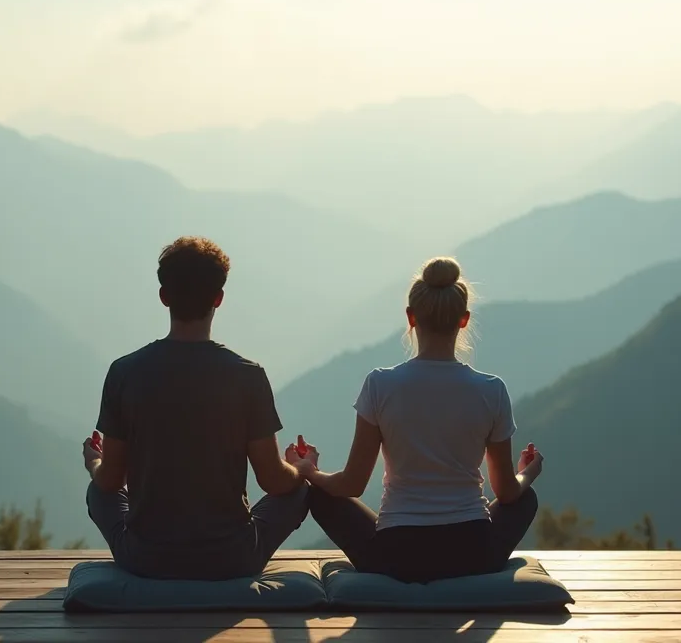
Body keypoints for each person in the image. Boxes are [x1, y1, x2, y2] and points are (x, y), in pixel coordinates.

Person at [286, 256, 544, 584]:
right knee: (525, 498)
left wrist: (309, 471)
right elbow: (506, 493)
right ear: (464, 320)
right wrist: (527, 473)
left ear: (410, 317)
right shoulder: (492, 390)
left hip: (396, 556)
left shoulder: (380, 385)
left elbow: (352, 484)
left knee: (321, 495)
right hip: (474, 553)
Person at [81, 236, 309, 581]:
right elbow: (273, 481)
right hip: (231, 558)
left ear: (164, 296)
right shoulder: (248, 375)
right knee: (300, 490)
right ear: (219, 298)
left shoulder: (124, 372)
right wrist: (301, 469)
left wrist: (94, 462)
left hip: (145, 558)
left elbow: (112, 481)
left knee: (97, 492)